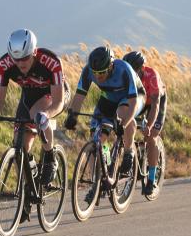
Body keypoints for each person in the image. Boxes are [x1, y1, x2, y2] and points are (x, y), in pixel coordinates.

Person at [0, 29, 70, 221]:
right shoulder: (4, 65)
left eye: (25, 59)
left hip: (53, 95)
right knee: (19, 145)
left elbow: (59, 102)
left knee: (37, 114)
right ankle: (27, 191)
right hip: (28, 97)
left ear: (34, 52)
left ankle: (50, 156)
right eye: (16, 59)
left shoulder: (51, 62)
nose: (20, 64)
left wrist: (46, 115)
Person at [64, 46, 145, 200]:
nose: (98, 76)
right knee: (96, 138)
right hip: (109, 99)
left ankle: (128, 152)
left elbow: (133, 102)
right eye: (95, 73)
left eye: (101, 72)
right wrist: (72, 115)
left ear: (111, 66)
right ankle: (98, 182)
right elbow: (80, 95)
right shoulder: (88, 71)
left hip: (134, 97)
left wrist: (124, 123)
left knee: (122, 115)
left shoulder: (124, 69)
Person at [123, 51, 167, 195]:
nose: (131, 74)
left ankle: (152, 179)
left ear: (142, 68)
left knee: (151, 136)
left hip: (155, 102)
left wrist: (149, 126)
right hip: (139, 102)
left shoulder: (152, 76)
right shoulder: (126, 75)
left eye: (134, 71)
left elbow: (155, 106)